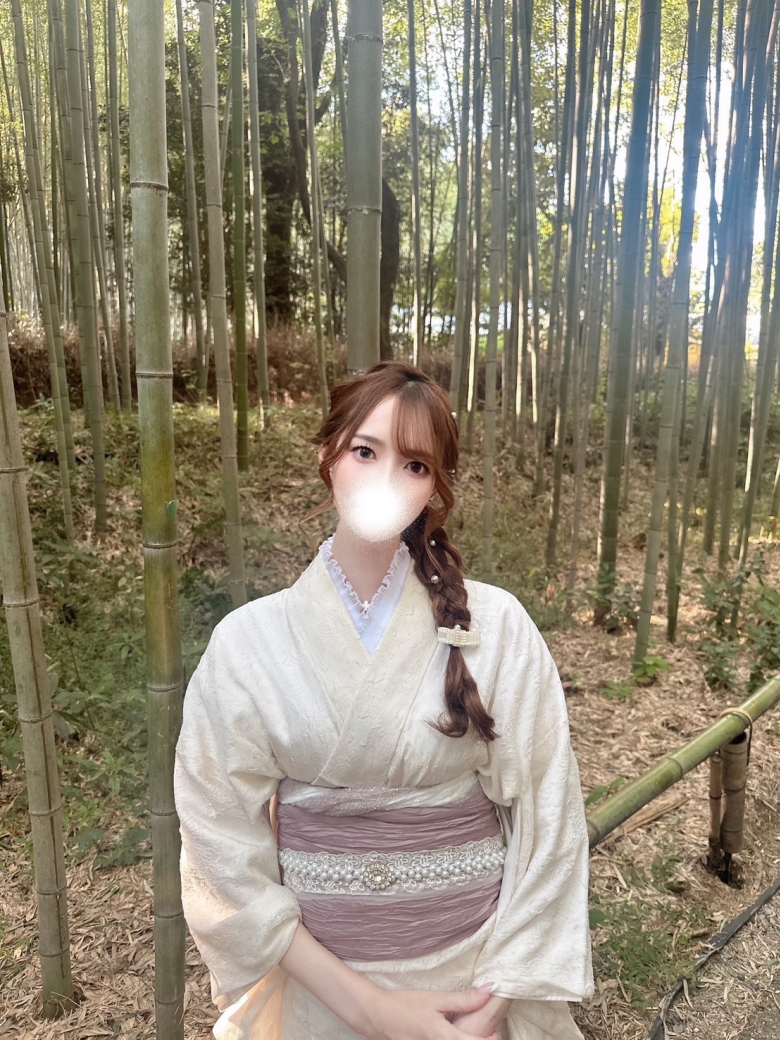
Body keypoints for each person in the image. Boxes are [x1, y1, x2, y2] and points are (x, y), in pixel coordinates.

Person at [174, 360, 594, 1040]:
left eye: (415, 465)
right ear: (327, 455)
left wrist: (500, 992)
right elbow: (218, 851)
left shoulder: (498, 624)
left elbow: (550, 814)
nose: (385, 479)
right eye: (365, 451)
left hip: (472, 987)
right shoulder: (246, 642)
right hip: (322, 998)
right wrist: (369, 1009)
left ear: (434, 487)